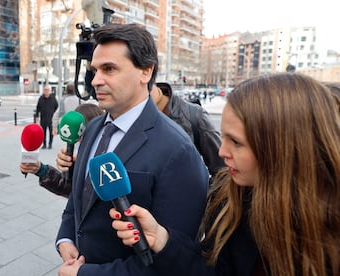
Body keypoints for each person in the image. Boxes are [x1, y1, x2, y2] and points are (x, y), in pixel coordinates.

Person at [110, 73, 340, 276]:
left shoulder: (328, 225)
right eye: (224, 137)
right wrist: (162, 239)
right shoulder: (230, 201)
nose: (222, 152)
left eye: (237, 142)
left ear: (285, 147)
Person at [55, 23, 209, 276]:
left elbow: (174, 260)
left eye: (109, 69)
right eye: (94, 70)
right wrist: (66, 238)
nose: (96, 80)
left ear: (145, 72)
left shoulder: (178, 151)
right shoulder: (93, 128)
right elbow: (78, 196)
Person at [20, 103, 104, 197]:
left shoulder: (105, 156)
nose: (78, 140)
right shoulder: (75, 148)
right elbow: (70, 189)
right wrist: (41, 170)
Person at [151, 82, 224, 178]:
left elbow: (222, 173)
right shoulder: (126, 115)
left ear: (147, 71)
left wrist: (199, 190)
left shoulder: (194, 115)